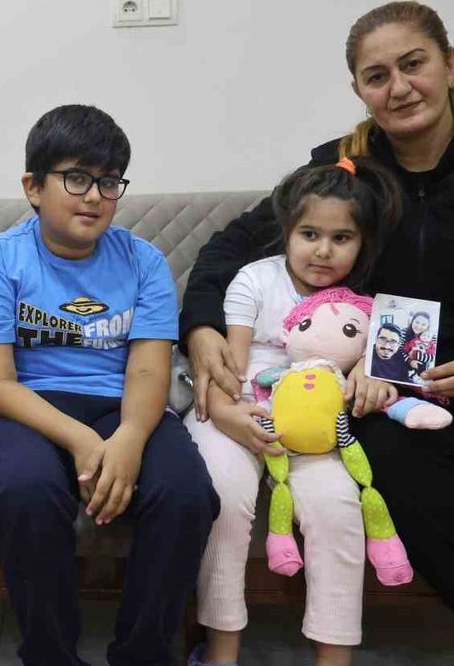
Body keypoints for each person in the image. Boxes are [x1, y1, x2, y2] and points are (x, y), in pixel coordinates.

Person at [180, 0, 454, 665]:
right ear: (359, 89)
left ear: (449, 64)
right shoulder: (342, 169)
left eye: (414, 64)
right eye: (377, 76)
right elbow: (229, 249)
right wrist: (204, 328)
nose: (399, 88)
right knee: (391, 466)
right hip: (396, 383)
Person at [0, 104, 218, 665]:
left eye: (108, 181)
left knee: (186, 493)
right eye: (76, 178)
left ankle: (143, 654)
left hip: (121, 404)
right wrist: (82, 440)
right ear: (33, 187)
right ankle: (50, 654)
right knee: (26, 492)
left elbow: (148, 369)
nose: (94, 196)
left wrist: (128, 438)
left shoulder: (144, 262)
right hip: (25, 407)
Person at [184, 159, 401, 666]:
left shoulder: (364, 303)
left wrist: (372, 374)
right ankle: (220, 649)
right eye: (309, 234)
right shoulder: (254, 279)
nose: (323, 251)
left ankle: (334, 655)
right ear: (286, 231)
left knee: (338, 508)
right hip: (236, 407)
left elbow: (383, 366)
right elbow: (231, 366)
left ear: (363, 243)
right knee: (223, 495)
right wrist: (230, 415)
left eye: (341, 238)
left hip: (316, 428)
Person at [404, 311, 436, 378]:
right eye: (417, 322)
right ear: (412, 321)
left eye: (423, 324)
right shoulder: (404, 332)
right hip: (405, 364)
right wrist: (410, 361)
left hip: (423, 365)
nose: (419, 326)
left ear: (427, 326)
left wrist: (416, 355)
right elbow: (400, 351)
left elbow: (433, 356)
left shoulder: (431, 336)